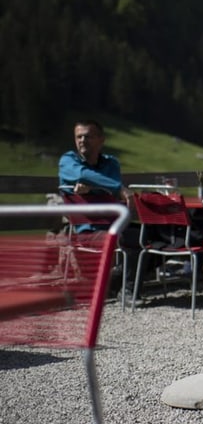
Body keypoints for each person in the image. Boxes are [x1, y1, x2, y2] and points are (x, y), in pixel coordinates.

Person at [58, 120, 146, 302]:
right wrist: (118, 188)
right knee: (132, 240)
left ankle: (116, 281)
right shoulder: (67, 160)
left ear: (101, 140)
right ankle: (127, 289)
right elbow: (82, 174)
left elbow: (100, 180)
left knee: (153, 237)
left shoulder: (110, 163)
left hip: (114, 225)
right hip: (87, 230)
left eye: (88, 136)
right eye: (79, 136)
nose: (82, 140)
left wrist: (92, 188)